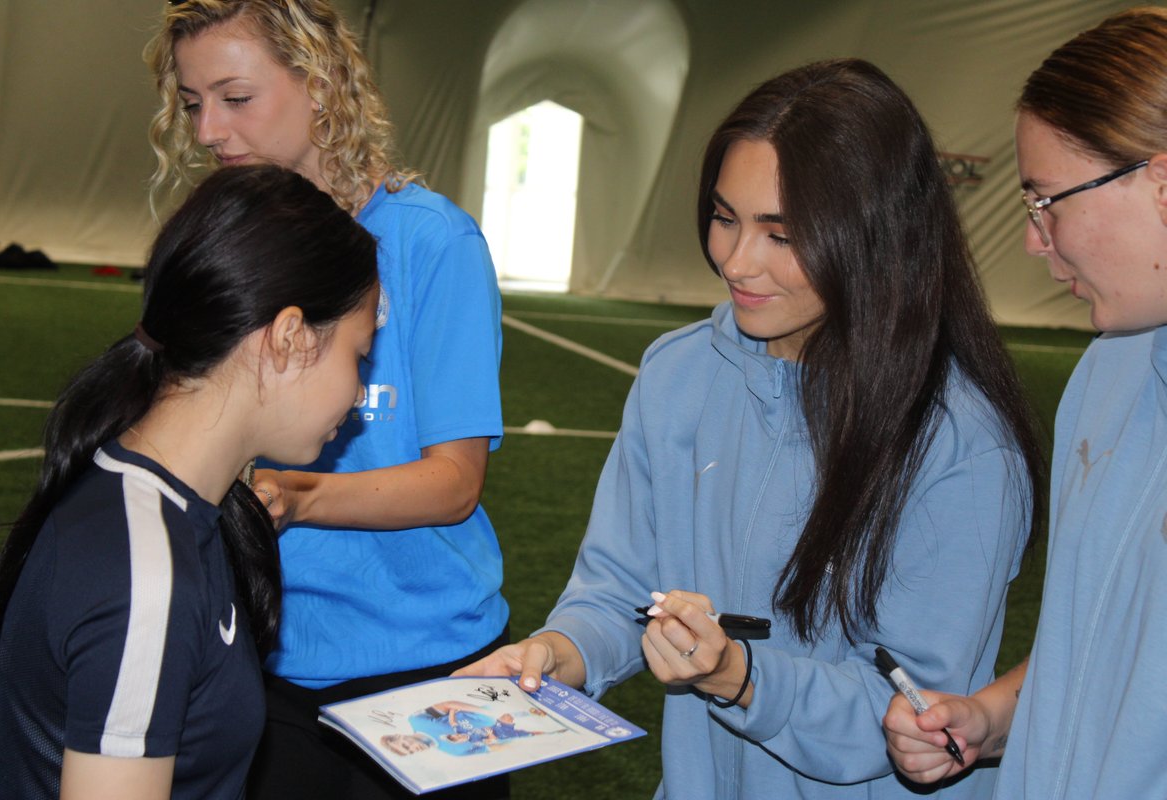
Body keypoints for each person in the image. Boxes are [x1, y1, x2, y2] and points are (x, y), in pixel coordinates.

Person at [457, 58, 1045, 799]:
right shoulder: (677, 374)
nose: (736, 261)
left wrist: (739, 677)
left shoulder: (960, 443)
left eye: (782, 233)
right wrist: (552, 653)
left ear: (874, 235)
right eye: (725, 217)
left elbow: (914, 715)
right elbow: (617, 593)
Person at [144, 3, 507, 798]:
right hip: (260, 662)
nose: (207, 130)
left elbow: (454, 483)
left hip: (430, 667)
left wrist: (294, 496)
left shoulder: (429, 242)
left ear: (321, 83)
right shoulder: (219, 242)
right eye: (193, 101)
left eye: (235, 98)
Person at [0, 164, 380, 800]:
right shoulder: (147, 573)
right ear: (288, 338)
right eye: (358, 354)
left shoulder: (179, 506)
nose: (359, 392)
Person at [883, 8, 1167, 798]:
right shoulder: (1108, 375)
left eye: (1047, 203)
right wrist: (992, 718)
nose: (1036, 243)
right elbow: (1100, 641)